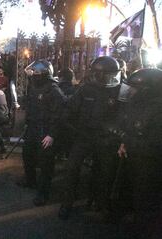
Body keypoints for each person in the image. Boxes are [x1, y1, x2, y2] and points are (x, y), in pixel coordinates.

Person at [58, 56, 122, 219]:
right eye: (108, 75)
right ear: (98, 74)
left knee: (105, 172)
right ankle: (67, 203)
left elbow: (124, 114)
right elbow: (70, 109)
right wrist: (73, 129)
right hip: (85, 135)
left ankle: (102, 202)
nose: (112, 78)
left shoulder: (119, 90)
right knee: (72, 168)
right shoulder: (86, 89)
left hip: (106, 138)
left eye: (113, 74)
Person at [116, 69, 162, 238]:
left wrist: (129, 142)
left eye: (134, 88)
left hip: (150, 164)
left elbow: (154, 144)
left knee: (146, 199)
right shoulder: (137, 104)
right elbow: (129, 126)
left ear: (146, 90)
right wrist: (124, 142)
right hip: (135, 159)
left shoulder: (158, 111)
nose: (130, 92)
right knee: (134, 195)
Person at [19, 60, 67, 207]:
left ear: (44, 74)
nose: (33, 75)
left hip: (46, 131)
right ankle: (30, 181)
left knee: (46, 163)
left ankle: (43, 193)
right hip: (33, 128)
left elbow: (59, 115)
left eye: (35, 73)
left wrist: (52, 134)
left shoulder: (53, 90)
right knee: (27, 155)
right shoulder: (35, 86)